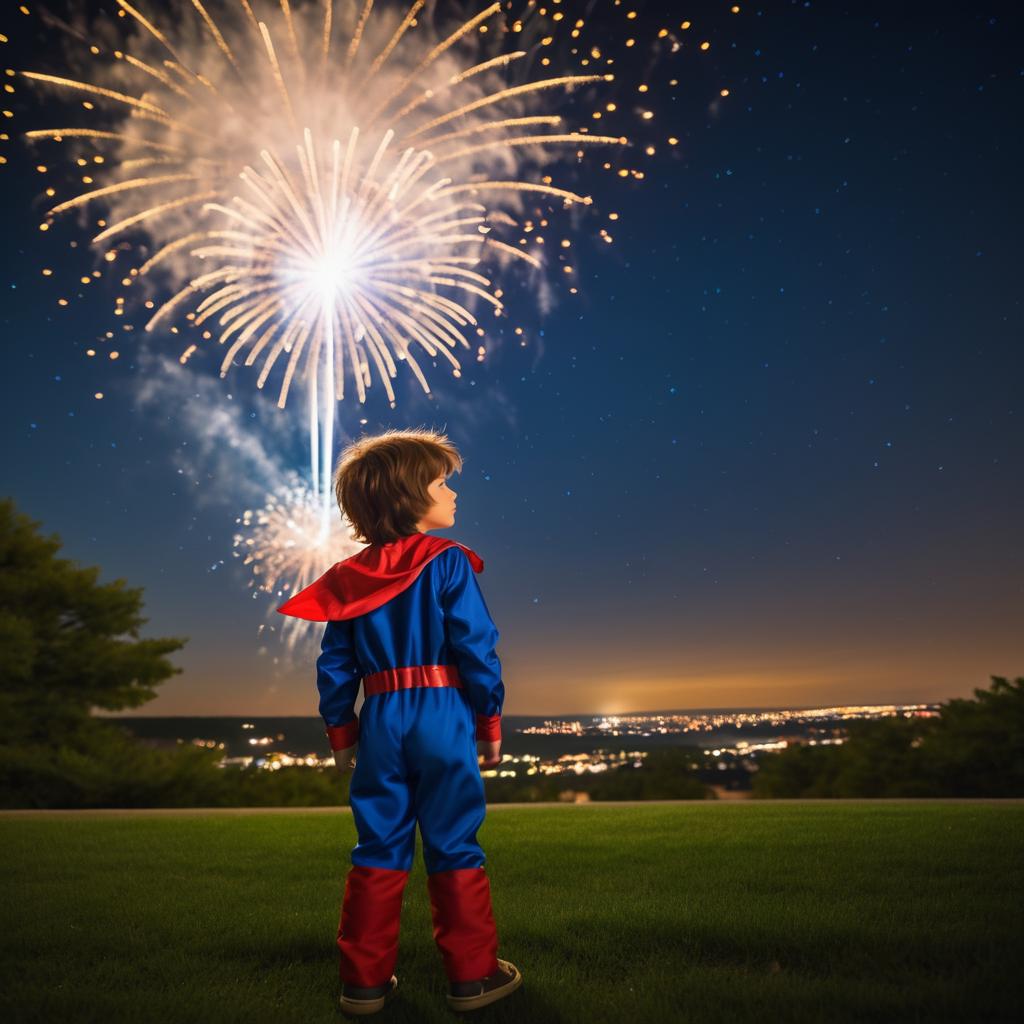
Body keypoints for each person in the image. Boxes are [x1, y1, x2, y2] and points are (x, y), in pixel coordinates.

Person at [277, 427, 523, 1017]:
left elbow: (335, 664)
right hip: (442, 713)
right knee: (455, 843)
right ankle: (472, 976)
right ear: (410, 496)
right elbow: (477, 648)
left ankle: (362, 983)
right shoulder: (449, 563)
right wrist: (488, 723)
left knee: (377, 845)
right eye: (441, 482)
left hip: (381, 717)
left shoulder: (348, 578)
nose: (452, 493)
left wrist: (343, 733)